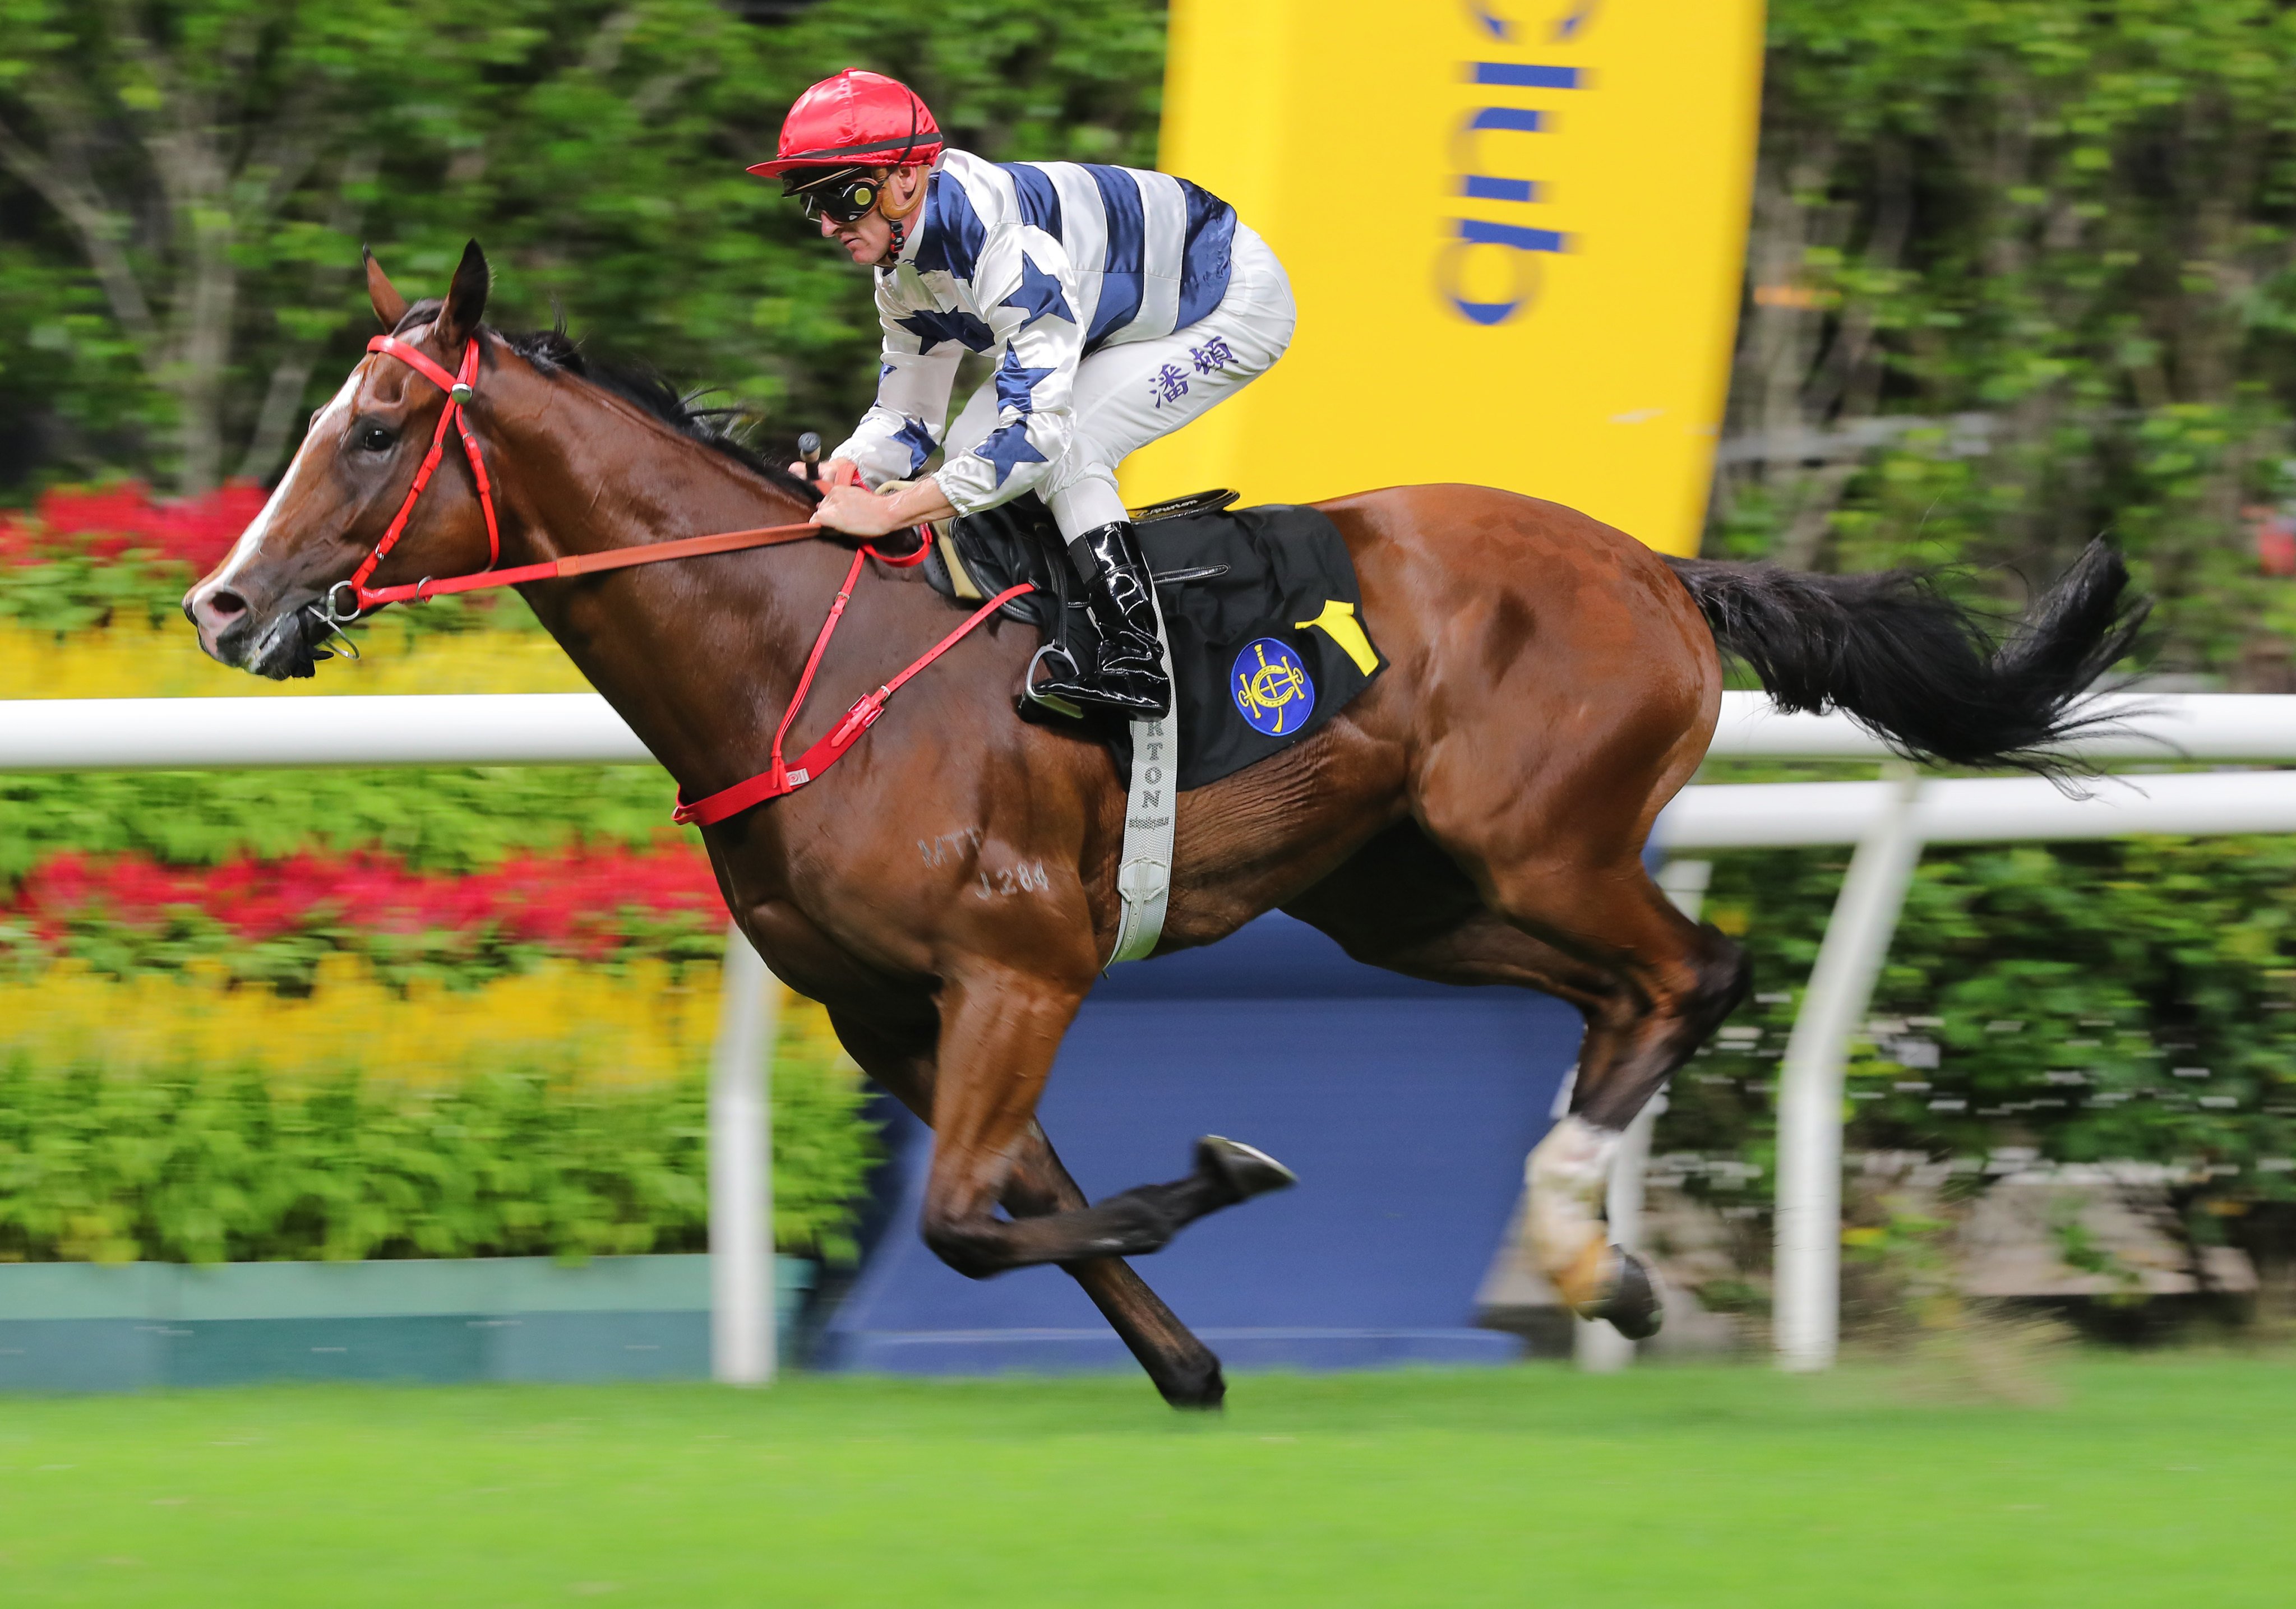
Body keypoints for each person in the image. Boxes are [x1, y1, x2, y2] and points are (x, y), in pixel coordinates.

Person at [751, 69, 1297, 719]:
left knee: (1066, 445)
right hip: (1116, 308)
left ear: (904, 178)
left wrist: (893, 512)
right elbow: (907, 416)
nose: (826, 226)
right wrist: (848, 470)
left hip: (1227, 300)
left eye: (840, 199)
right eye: (812, 204)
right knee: (966, 448)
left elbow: (1037, 434)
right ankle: (1053, 618)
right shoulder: (900, 271)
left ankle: (1139, 657)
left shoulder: (1002, 244)